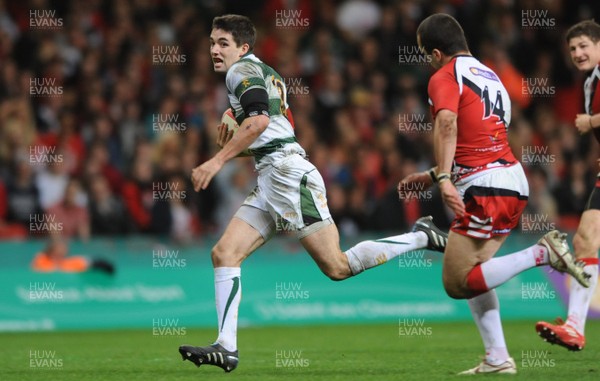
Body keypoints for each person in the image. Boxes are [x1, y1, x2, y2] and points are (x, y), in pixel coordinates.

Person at [178, 14, 449, 373]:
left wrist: (216, 161)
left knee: (336, 267)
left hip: (288, 177)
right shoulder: (267, 73)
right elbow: (278, 127)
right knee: (224, 253)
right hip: (272, 174)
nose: (214, 49)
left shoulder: (239, 72)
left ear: (243, 47)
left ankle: (419, 237)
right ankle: (226, 347)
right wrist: (242, 146)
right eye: (212, 42)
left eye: (223, 43)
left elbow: (258, 122)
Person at [399, 13, 590, 375]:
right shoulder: (491, 75)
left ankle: (541, 253)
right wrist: (433, 174)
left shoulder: (444, 75)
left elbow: (448, 122)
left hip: (486, 184)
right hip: (510, 179)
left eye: (426, 54)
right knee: (474, 274)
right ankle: (497, 358)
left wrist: (442, 178)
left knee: (456, 283)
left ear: (435, 52)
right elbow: (481, 132)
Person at [535, 20, 600, 352]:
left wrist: (593, 121)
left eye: (585, 45)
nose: (578, 52)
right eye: (573, 48)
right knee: (585, 239)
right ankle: (575, 325)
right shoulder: (590, 84)